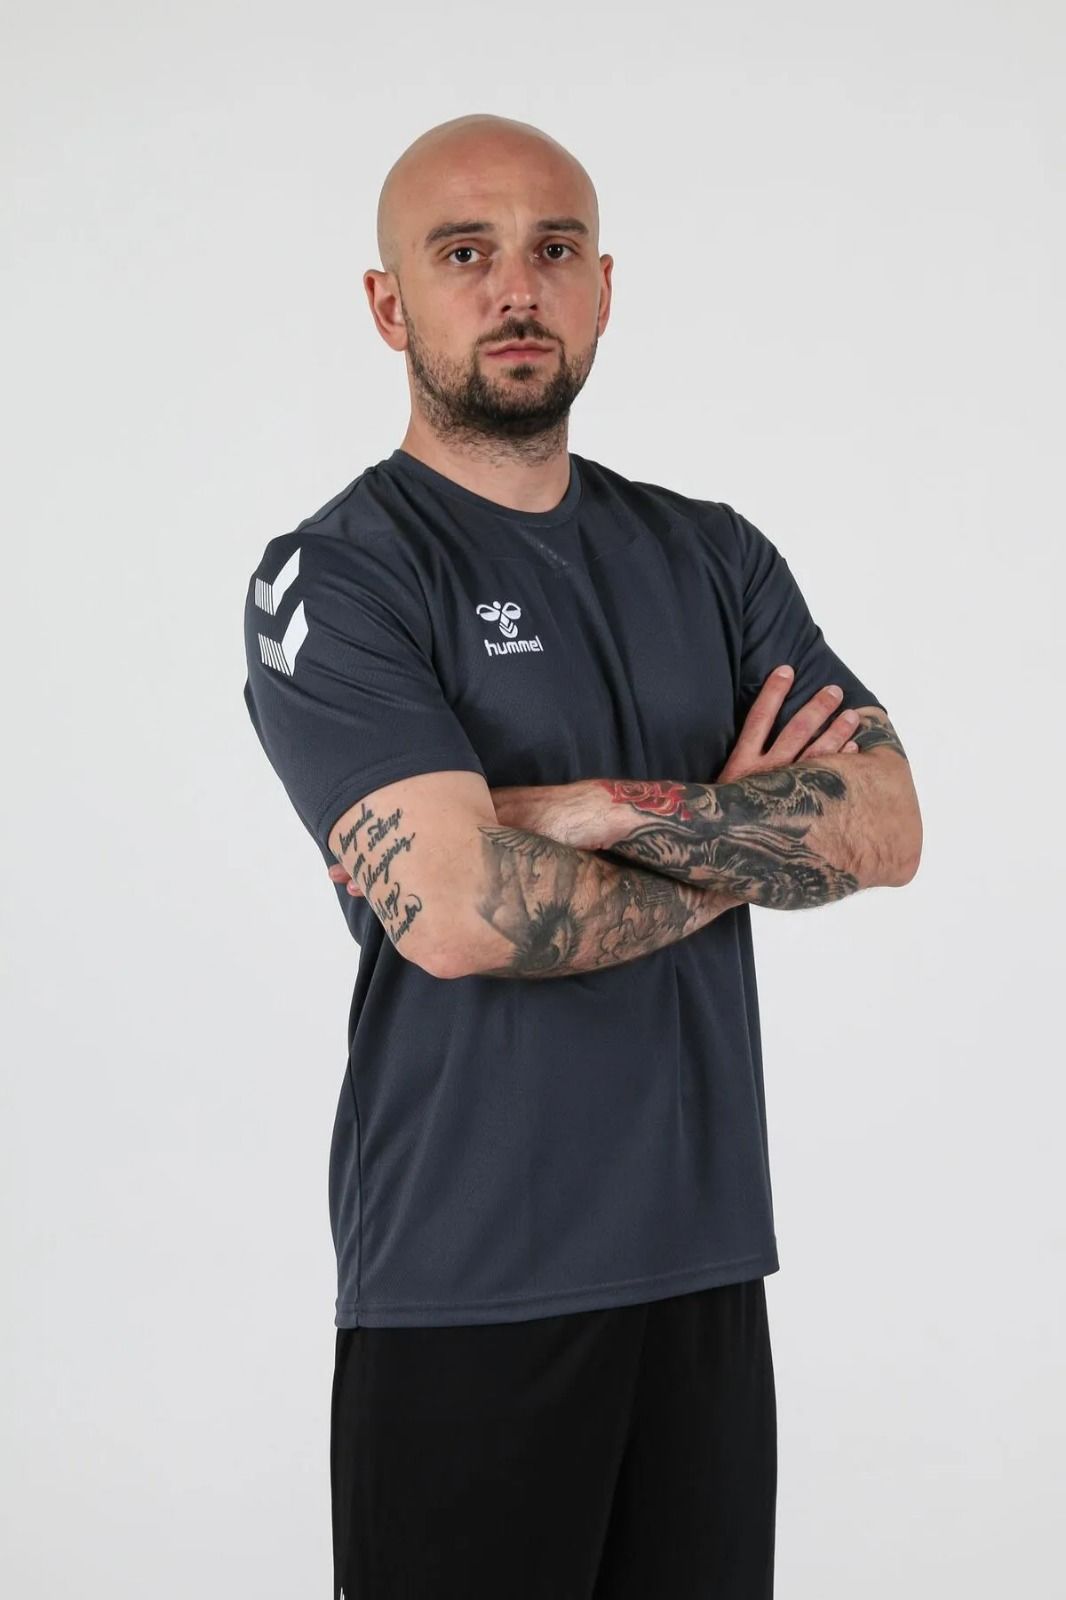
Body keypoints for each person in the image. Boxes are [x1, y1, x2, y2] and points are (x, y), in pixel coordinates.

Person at [242, 112, 922, 1600]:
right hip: (468, 1281)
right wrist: (734, 827)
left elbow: (884, 827)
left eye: (554, 250)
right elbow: (458, 917)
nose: (515, 287)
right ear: (387, 305)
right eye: (463, 253)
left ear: (602, 289)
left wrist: (569, 811)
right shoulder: (339, 575)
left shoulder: (713, 556)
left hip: (702, 1262)